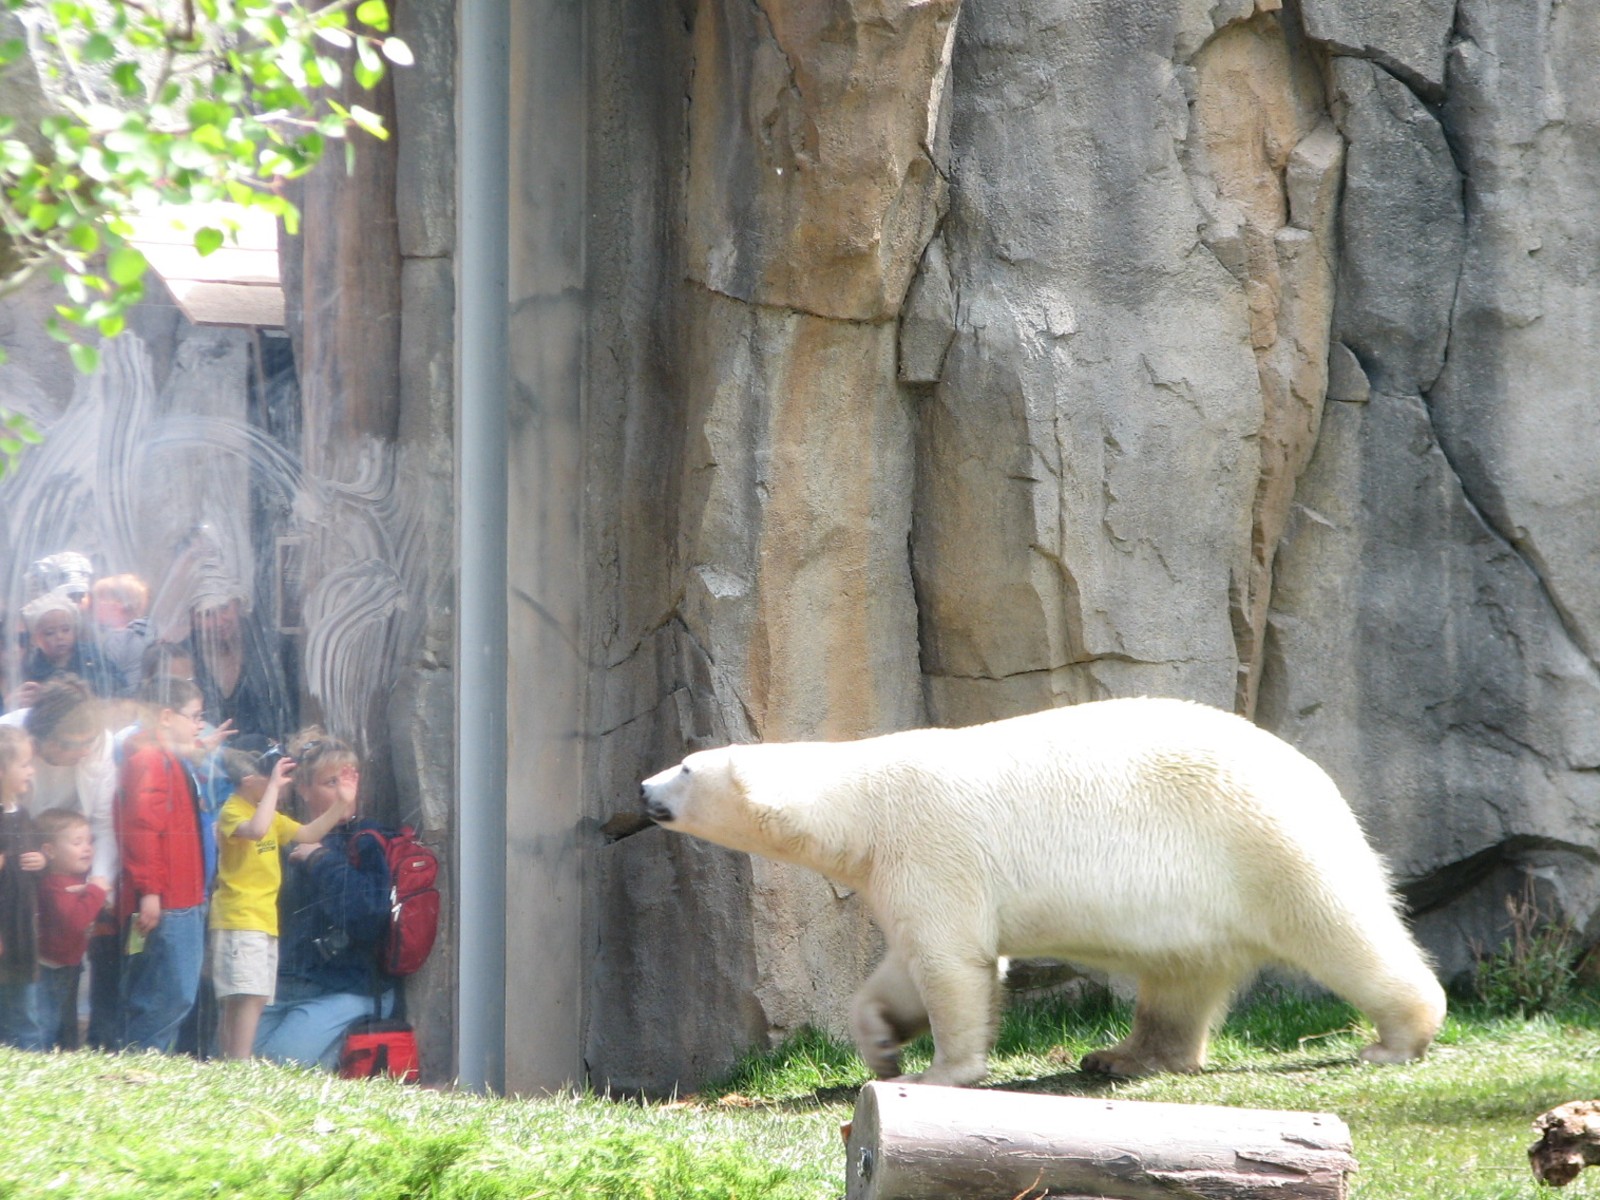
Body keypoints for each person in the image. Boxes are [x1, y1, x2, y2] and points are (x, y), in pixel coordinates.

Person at [253, 730, 395, 1068]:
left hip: (346, 988)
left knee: (277, 1067)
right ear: (303, 789)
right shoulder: (282, 834)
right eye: (330, 782)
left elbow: (369, 917)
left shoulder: (367, 839)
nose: (344, 791)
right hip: (285, 985)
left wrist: (321, 860)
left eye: (348, 780)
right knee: (232, 1060)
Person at [0, 677, 121, 1047]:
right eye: (73, 745)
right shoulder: (12, 742)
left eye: (89, 742)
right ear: (40, 741)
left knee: (59, 967)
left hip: (63, 868)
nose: (84, 751)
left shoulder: (99, 746)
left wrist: (99, 882)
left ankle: (57, 1044)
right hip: (18, 875)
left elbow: (103, 824)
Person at [210, 744, 351, 1059]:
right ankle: (238, 1062)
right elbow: (257, 831)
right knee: (246, 994)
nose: (284, 787)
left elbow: (308, 832)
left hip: (261, 919)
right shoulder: (233, 810)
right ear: (248, 781)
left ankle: (232, 1060)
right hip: (239, 917)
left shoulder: (270, 815)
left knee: (253, 994)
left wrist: (341, 804)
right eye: (274, 780)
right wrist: (273, 786)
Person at [116, 677, 208, 1052]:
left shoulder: (164, 757)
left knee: (172, 994)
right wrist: (150, 891)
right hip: (171, 900)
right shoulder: (151, 760)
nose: (200, 724)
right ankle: (141, 1066)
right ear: (167, 716)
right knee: (170, 996)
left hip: (184, 896)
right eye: (195, 716)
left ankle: (149, 1064)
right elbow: (141, 830)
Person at [33, 808, 109, 1050]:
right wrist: (97, 891)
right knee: (47, 1021)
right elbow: (76, 922)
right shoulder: (55, 886)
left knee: (65, 1019)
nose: (87, 848)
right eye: (77, 842)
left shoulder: (73, 879)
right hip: (49, 968)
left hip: (68, 965)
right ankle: (39, 1056)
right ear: (50, 851)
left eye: (89, 841)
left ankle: (64, 1053)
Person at [0, 725, 44, 1050]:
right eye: (25, 764)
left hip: (20, 931)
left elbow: (30, 857)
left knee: (23, 1010)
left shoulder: (22, 814)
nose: (32, 770)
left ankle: (29, 1064)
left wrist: (40, 860)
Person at [9, 590, 124, 705]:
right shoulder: (31, 667)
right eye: (49, 633)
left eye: (65, 630)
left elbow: (118, 684)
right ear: (35, 639)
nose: (60, 637)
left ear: (74, 630)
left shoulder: (92, 656)